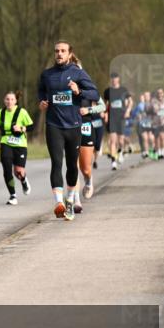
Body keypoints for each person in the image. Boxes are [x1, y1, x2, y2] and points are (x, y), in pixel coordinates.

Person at [37, 40, 99, 221]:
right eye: (56, 51)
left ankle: (70, 200)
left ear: (70, 53)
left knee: (72, 166)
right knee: (56, 163)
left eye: (63, 51)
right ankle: (58, 203)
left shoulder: (78, 73)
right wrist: (42, 101)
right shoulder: (47, 75)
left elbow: (94, 94)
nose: (59, 54)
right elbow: (41, 91)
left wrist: (79, 91)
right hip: (53, 125)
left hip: (73, 126)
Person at [0, 91, 34, 205]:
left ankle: (24, 180)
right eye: (7, 99)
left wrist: (21, 128)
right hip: (6, 142)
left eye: (12, 99)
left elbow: (31, 126)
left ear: (15, 101)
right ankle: (13, 195)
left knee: (18, 171)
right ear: (4, 100)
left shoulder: (22, 112)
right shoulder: (1, 112)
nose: (9, 101)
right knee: (7, 169)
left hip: (20, 144)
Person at [76, 92, 107, 211]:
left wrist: (88, 109)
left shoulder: (89, 90)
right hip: (70, 129)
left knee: (86, 169)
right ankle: (76, 201)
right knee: (73, 167)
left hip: (86, 129)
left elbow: (102, 106)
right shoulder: (65, 87)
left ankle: (88, 180)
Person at [103, 72, 133, 170]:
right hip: (112, 118)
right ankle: (113, 162)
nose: (114, 80)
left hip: (121, 117)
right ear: (111, 80)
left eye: (115, 78)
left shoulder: (123, 90)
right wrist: (106, 114)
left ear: (118, 79)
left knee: (120, 140)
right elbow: (106, 104)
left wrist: (128, 111)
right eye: (112, 78)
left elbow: (130, 102)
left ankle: (120, 152)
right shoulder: (107, 91)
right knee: (113, 140)